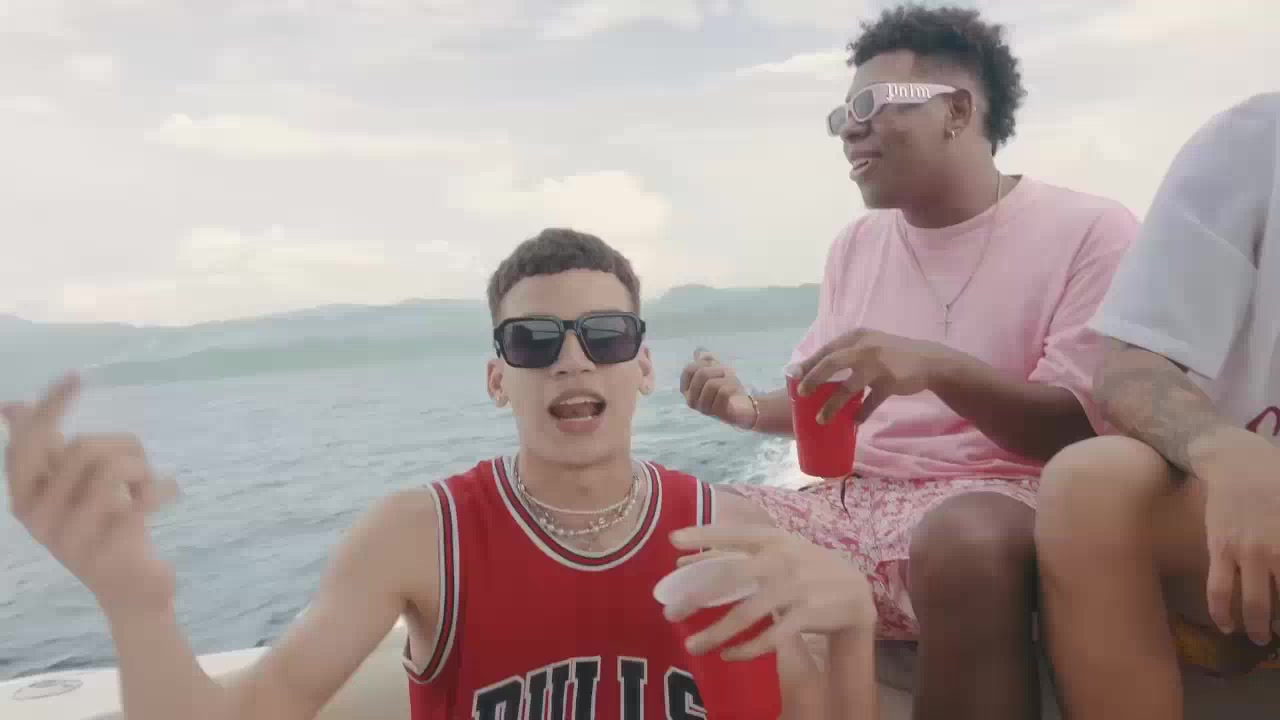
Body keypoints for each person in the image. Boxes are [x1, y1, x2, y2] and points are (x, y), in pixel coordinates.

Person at [2, 228, 879, 720]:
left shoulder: (727, 533)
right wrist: (135, 606)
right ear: (498, 380)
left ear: (642, 365)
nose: (572, 359)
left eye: (606, 335)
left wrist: (853, 632)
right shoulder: (420, 536)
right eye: (533, 341)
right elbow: (257, 708)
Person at [680, 6, 1138, 719]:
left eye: (869, 106)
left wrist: (937, 368)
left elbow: (1081, 428)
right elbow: (822, 396)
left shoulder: (1092, 229)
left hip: (1012, 502)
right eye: (841, 115)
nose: (848, 130)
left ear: (957, 111)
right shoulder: (856, 246)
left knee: (962, 537)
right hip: (859, 502)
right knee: (687, 521)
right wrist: (743, 408)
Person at [1035, 92, 1280, 719]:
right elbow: (1130, 366)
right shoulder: (1256, 140)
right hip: (1252, 503)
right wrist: (1225, 450)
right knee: (1090, 483)